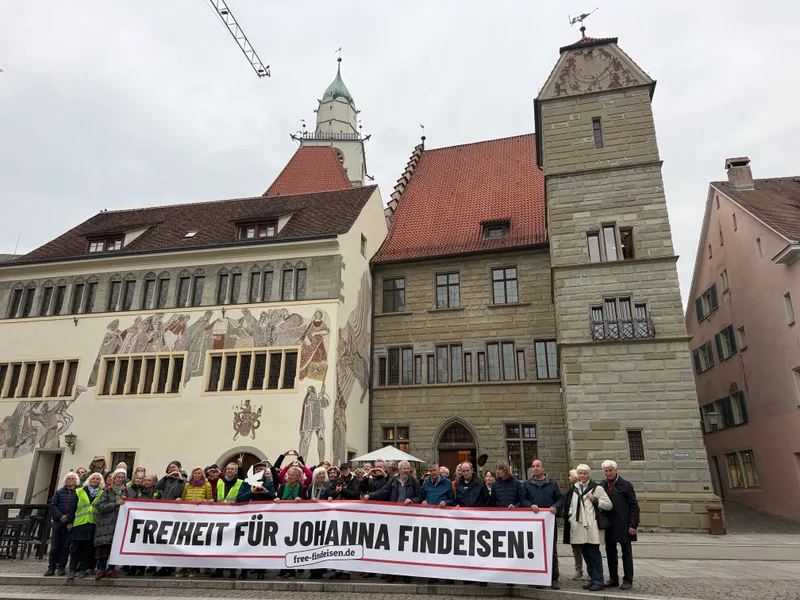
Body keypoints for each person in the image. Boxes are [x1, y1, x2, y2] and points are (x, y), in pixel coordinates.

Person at [364, 460, 419, 583]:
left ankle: (406, 573)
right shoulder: (393, 481)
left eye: (408, 469)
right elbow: (384, 491)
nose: (406, 471)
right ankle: (393, 573)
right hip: (394, 517)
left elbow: (420, 495)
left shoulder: (414, 482)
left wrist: (413, 500)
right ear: (399, 469)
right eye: (404, 469)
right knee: (393, 546)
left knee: (406, 546)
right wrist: (371, 495)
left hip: (408, 518)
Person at [563, 464, 612, 592]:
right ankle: (591, 578)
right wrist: (571, 516)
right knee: (585, 553)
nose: (582, 476)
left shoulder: (597, 489)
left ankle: (598, 580)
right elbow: (571, 506)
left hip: (592, 526)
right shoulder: (575, 489)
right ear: (577, 475)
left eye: (585, 473)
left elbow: (608, 505)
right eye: (580, 473)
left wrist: (595, 500)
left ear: (588, 474)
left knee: (594, 553)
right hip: (578, 526)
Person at [521, 459, 564, 590]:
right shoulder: (527, 484)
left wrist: (555, 506)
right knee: (535, 550)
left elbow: (560, 498)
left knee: (552, 549)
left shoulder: (552, 483)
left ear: (543, 468)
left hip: (549, 522)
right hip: (534, 523)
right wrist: (530, 505)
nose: (535, 468)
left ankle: (554, 578)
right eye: (533, 466)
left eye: (538, 466)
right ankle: (537, 578)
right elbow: (523, 499)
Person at [600, 460, 639, 591]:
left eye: (610, 470)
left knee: (626, 553)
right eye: (606, 471)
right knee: (610, 552)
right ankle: (613, 578)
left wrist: (633, 525)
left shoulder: (626, 485)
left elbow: (634, 506)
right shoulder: (603, 485)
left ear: (615, 470)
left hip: (624, 524)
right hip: (609, 524)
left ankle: (628, 579)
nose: (608, 473)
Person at [66, 473, 103, 582]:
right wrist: (70, 522)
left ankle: (83, 569)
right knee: (75, 549)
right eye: (93, 479)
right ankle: (72, 569)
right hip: (79, 523)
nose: (95, 481)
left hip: (93, 524)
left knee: (88, 549)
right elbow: (72, 508)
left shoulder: (102, 492)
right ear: (89, 480)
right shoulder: (79, 491)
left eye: (98, 479)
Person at [93, 468, 127, 580]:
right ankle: (101, 569)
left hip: (120, 524)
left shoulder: (126, 491)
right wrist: (116, 504)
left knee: (115, 547)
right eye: (118, 477)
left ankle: (111, 569)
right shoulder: (106, 491)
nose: (120, 479)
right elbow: (100, 506)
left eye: (122, 477)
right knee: (105, 547)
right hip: (106, 524)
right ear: (114, 478)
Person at [275, 466, 306, 579]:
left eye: (292, 475)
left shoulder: (302, 488)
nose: (289, 477)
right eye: (288, 474)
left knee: (293, 545)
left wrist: (302, 501)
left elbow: (307, 502)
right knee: (283, 545)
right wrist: (277, 500)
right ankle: (283, 569)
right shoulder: (283, 487)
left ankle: (292, 571)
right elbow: (277, 498)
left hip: (296, 521)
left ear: (298, 477)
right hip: (283, 520)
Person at [45, 472, 78, 577]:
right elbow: (53, 505)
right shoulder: (59, 492)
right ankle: (51, 567)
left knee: (65, 546)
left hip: (69, 523)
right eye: (69, 478)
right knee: (55, 545)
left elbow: (77, 507)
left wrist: (69, 519)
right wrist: (60, 516)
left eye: (73, 478)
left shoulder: (77, 493)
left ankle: (61, 567)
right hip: (58, 522)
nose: (70, 480)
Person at [567, 469, 585, 581]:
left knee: (584, 548)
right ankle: (578, 569)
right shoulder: (571, 490)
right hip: (573, 523)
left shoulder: (582, 489)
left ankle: (589, 571)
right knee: (575, 547)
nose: (569, 478)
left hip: (582, 523)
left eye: (570, 476)